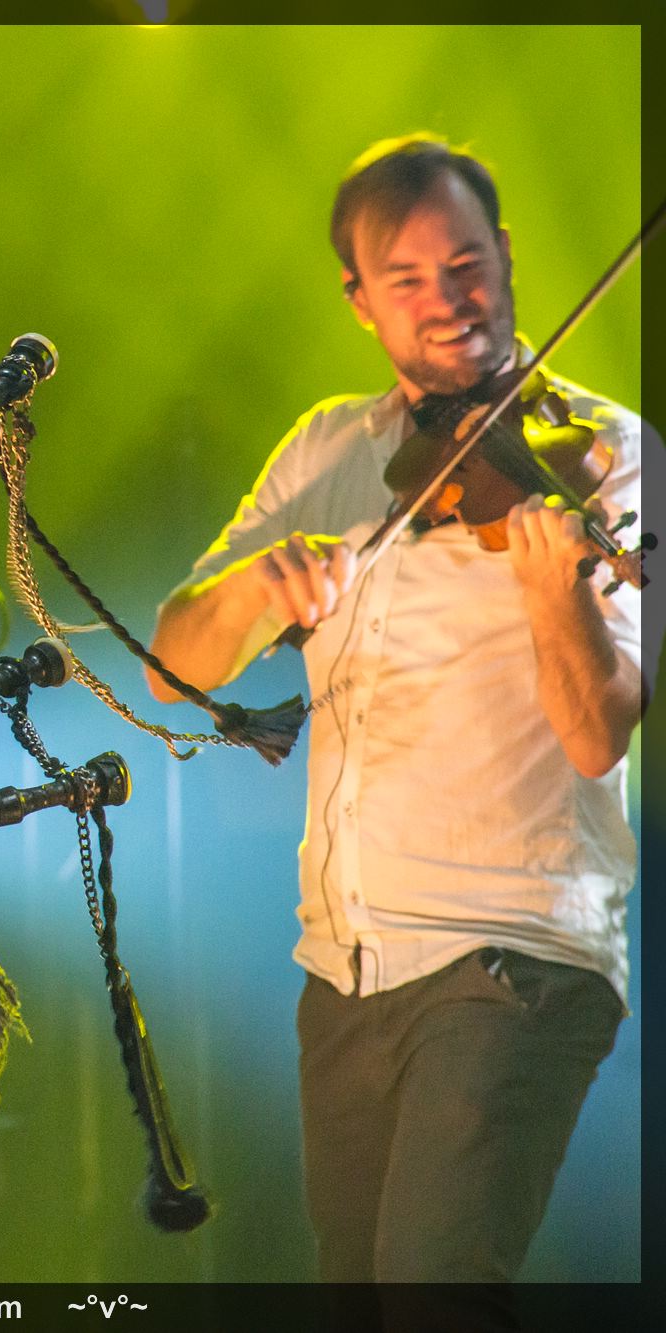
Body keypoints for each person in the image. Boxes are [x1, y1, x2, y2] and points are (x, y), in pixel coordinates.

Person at [146, 135, 653, 1316]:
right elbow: (172, 666)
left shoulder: (606, 454)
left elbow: (597, 735)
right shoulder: (329, 448)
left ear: (505, 255)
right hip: (342, 968)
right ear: (358, 298)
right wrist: (255, 585)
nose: (448, 300)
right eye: (409, 279)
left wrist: (552, 587)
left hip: (509, 955)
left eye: (465, 265)